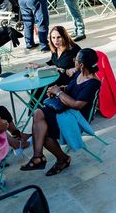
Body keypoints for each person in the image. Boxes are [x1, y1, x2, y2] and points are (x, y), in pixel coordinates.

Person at [20, 48, 101, 176]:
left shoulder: (93, 83)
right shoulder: (78, 74)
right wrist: (57, 90)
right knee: (37, 113)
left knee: (43, 132)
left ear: (81, 65)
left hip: (76, 117)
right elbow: (70, 88)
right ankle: (38, 156)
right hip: (64, 108)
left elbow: (77, 105)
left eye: (76, 60)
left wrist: (59, 92)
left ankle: (62, 159)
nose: (74, 61)